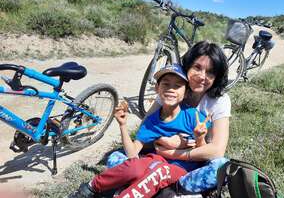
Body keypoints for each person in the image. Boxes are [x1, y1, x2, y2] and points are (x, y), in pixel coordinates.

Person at [108, 40, 231, 195]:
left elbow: (216, 150)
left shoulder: (219, 101)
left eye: (210, 72)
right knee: (116, 157)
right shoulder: (171, 90)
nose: (202, 77)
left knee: (221, 166)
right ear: (187, 66)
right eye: (197, 67)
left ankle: (170, 188)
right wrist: (163, 141)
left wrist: (174, 151)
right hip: (158, 158)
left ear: (216, 77)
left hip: (193, 163)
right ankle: (161, 187)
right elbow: (146, 130)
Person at [70, 64, 211, 198]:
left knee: (159, 172)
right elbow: (132, 154)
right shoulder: (152, 121)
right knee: (135, 167)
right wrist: (123, 125)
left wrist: (200, 137)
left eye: (177, 86)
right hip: (157, 161)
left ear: (185, 92)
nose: (171, 89)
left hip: (181, 168)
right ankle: (90, 187)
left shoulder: (193, 116)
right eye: (166, 84)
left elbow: (204, 154)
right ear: (157, 88)